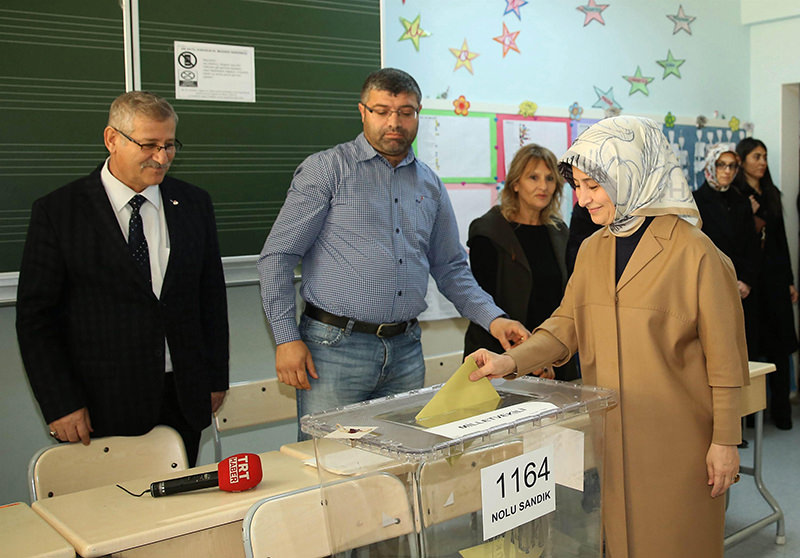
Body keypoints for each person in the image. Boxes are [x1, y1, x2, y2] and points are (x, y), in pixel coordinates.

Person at [467, 116, 749, 558]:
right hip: (611, 436)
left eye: (593, 187)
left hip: (679, 443)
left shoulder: (696, 254)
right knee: (618, 542)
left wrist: (726, 441)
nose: (582, 199)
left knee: (677, 542)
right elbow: (566, 326)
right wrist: (510, 362)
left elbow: (727, 360)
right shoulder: (593, 250)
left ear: (631, 174)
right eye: (577, 186)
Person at [258, 68, 527, 435]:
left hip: (406, 351)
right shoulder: (327, 171)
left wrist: (495, 319)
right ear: (363, 111)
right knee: (332, 466)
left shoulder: (430, 184)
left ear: (417, 114)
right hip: (334, 350)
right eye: (382, 110)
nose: (394, 122)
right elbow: (278, 256)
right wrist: (287, 338)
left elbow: (450, 268)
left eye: (405, 112)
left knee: (403, 463)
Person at [16, 91, 229, 466]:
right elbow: (37, 320)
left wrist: (214, 379)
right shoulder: (60, 211)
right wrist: (61, 403)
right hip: (100, 404)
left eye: (169, 145)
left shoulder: (193, 203)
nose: (161, 158)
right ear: (112, 139)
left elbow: (210, 297)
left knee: (179, 514)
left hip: (182, 395)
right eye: (149, 145)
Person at [463, 143, 577, 380]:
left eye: (549, 178)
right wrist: (526, 359)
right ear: (515, 183)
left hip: (552, 355)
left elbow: (565, 300)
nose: (543, 186)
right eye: (533, 177)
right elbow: (484, 304)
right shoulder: (487, 231)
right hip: (498, 353)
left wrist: (547, 356)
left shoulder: (559, 232)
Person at [732, 137, 798, 430]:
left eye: (765, 157)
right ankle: (745, 419)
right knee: (749, 347)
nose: (762, 162)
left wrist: (790, 281)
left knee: (780, 347)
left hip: (774, 279)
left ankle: (783, 413)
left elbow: (781, 241)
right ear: (743, 160)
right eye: (756, 156)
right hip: (749, 282)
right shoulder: (735, 195)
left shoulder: (772, 193)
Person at [693, 145, 759, 345]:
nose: (727, 171)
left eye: (732, 166)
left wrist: (746, 280)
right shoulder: (695, 201)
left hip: (741, 285)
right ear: (711, 166)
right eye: (721, 165)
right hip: (710, 283)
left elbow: (752, 245)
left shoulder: (741, 201)